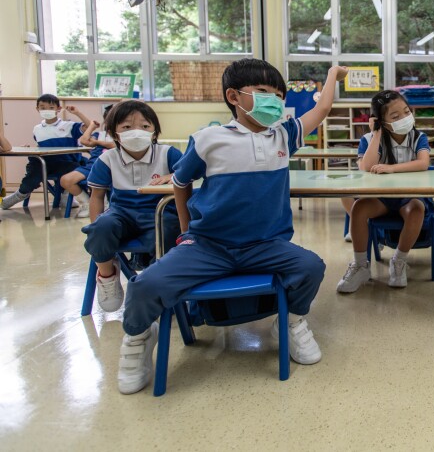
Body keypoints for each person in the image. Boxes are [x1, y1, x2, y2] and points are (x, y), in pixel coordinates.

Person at [115, 59, 347, 395]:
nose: (275, 101)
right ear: (233, 96)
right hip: (209, 245)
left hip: (266, 245)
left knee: (311, 266)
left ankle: (291, 321)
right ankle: (138, 336)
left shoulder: (284, 135)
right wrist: (185, 231)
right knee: (145, 284)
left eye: (279, 95)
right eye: (265, 92)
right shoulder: (208, 139)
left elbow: (322, 107)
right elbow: (180, 182)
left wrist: (331, 75)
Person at [81, 100, 181, 312]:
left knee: (169, 229)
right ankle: (107, 275)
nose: (136, 132)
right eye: (127, 127)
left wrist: (171, 175)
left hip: (157, 213)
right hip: (121, 213)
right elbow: (97, 196)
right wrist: (97, 226)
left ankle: (157, 283)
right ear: (114, 133)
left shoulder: (168, 153)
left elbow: (189, 174)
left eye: (145, 126)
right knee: (100, 228)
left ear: (155, 131)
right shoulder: (107, 159)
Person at [337, 90, 433, 293]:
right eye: (396, 116)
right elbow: (366, 166)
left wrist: (391, 168)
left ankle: (399, 261)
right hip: (381, 199)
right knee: (359, 207)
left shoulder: (418, 137)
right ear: (381, 121)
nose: (405, 118)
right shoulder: (369, 138)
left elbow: (423, 163)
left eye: (407, 112)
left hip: (408, 197)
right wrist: (377, 133)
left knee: (417, 208)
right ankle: (361, 265)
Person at [2, 94, 92, 210]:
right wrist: (29, 148)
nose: (47, 110)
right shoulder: (37, 129)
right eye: (43, 107)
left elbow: (90, 126)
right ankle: (19, 195)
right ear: (37, 109)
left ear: (58, 109)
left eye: (51, 107)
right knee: (32, 175)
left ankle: (65, 195)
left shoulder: (68, 126)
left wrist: (77, 113)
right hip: (45, 163)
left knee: (73, 170)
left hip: (66, 163)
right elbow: (42, 147)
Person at [63, 104, 116, 218]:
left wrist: (97, 142)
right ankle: (86, 203)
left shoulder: (122, 135)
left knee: (101, 182)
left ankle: (105, 205)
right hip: (92, 166)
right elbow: (84, 140)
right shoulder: (100, 134)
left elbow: (115, 144)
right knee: (66, 180)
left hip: (111, 168)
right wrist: (91, 126)